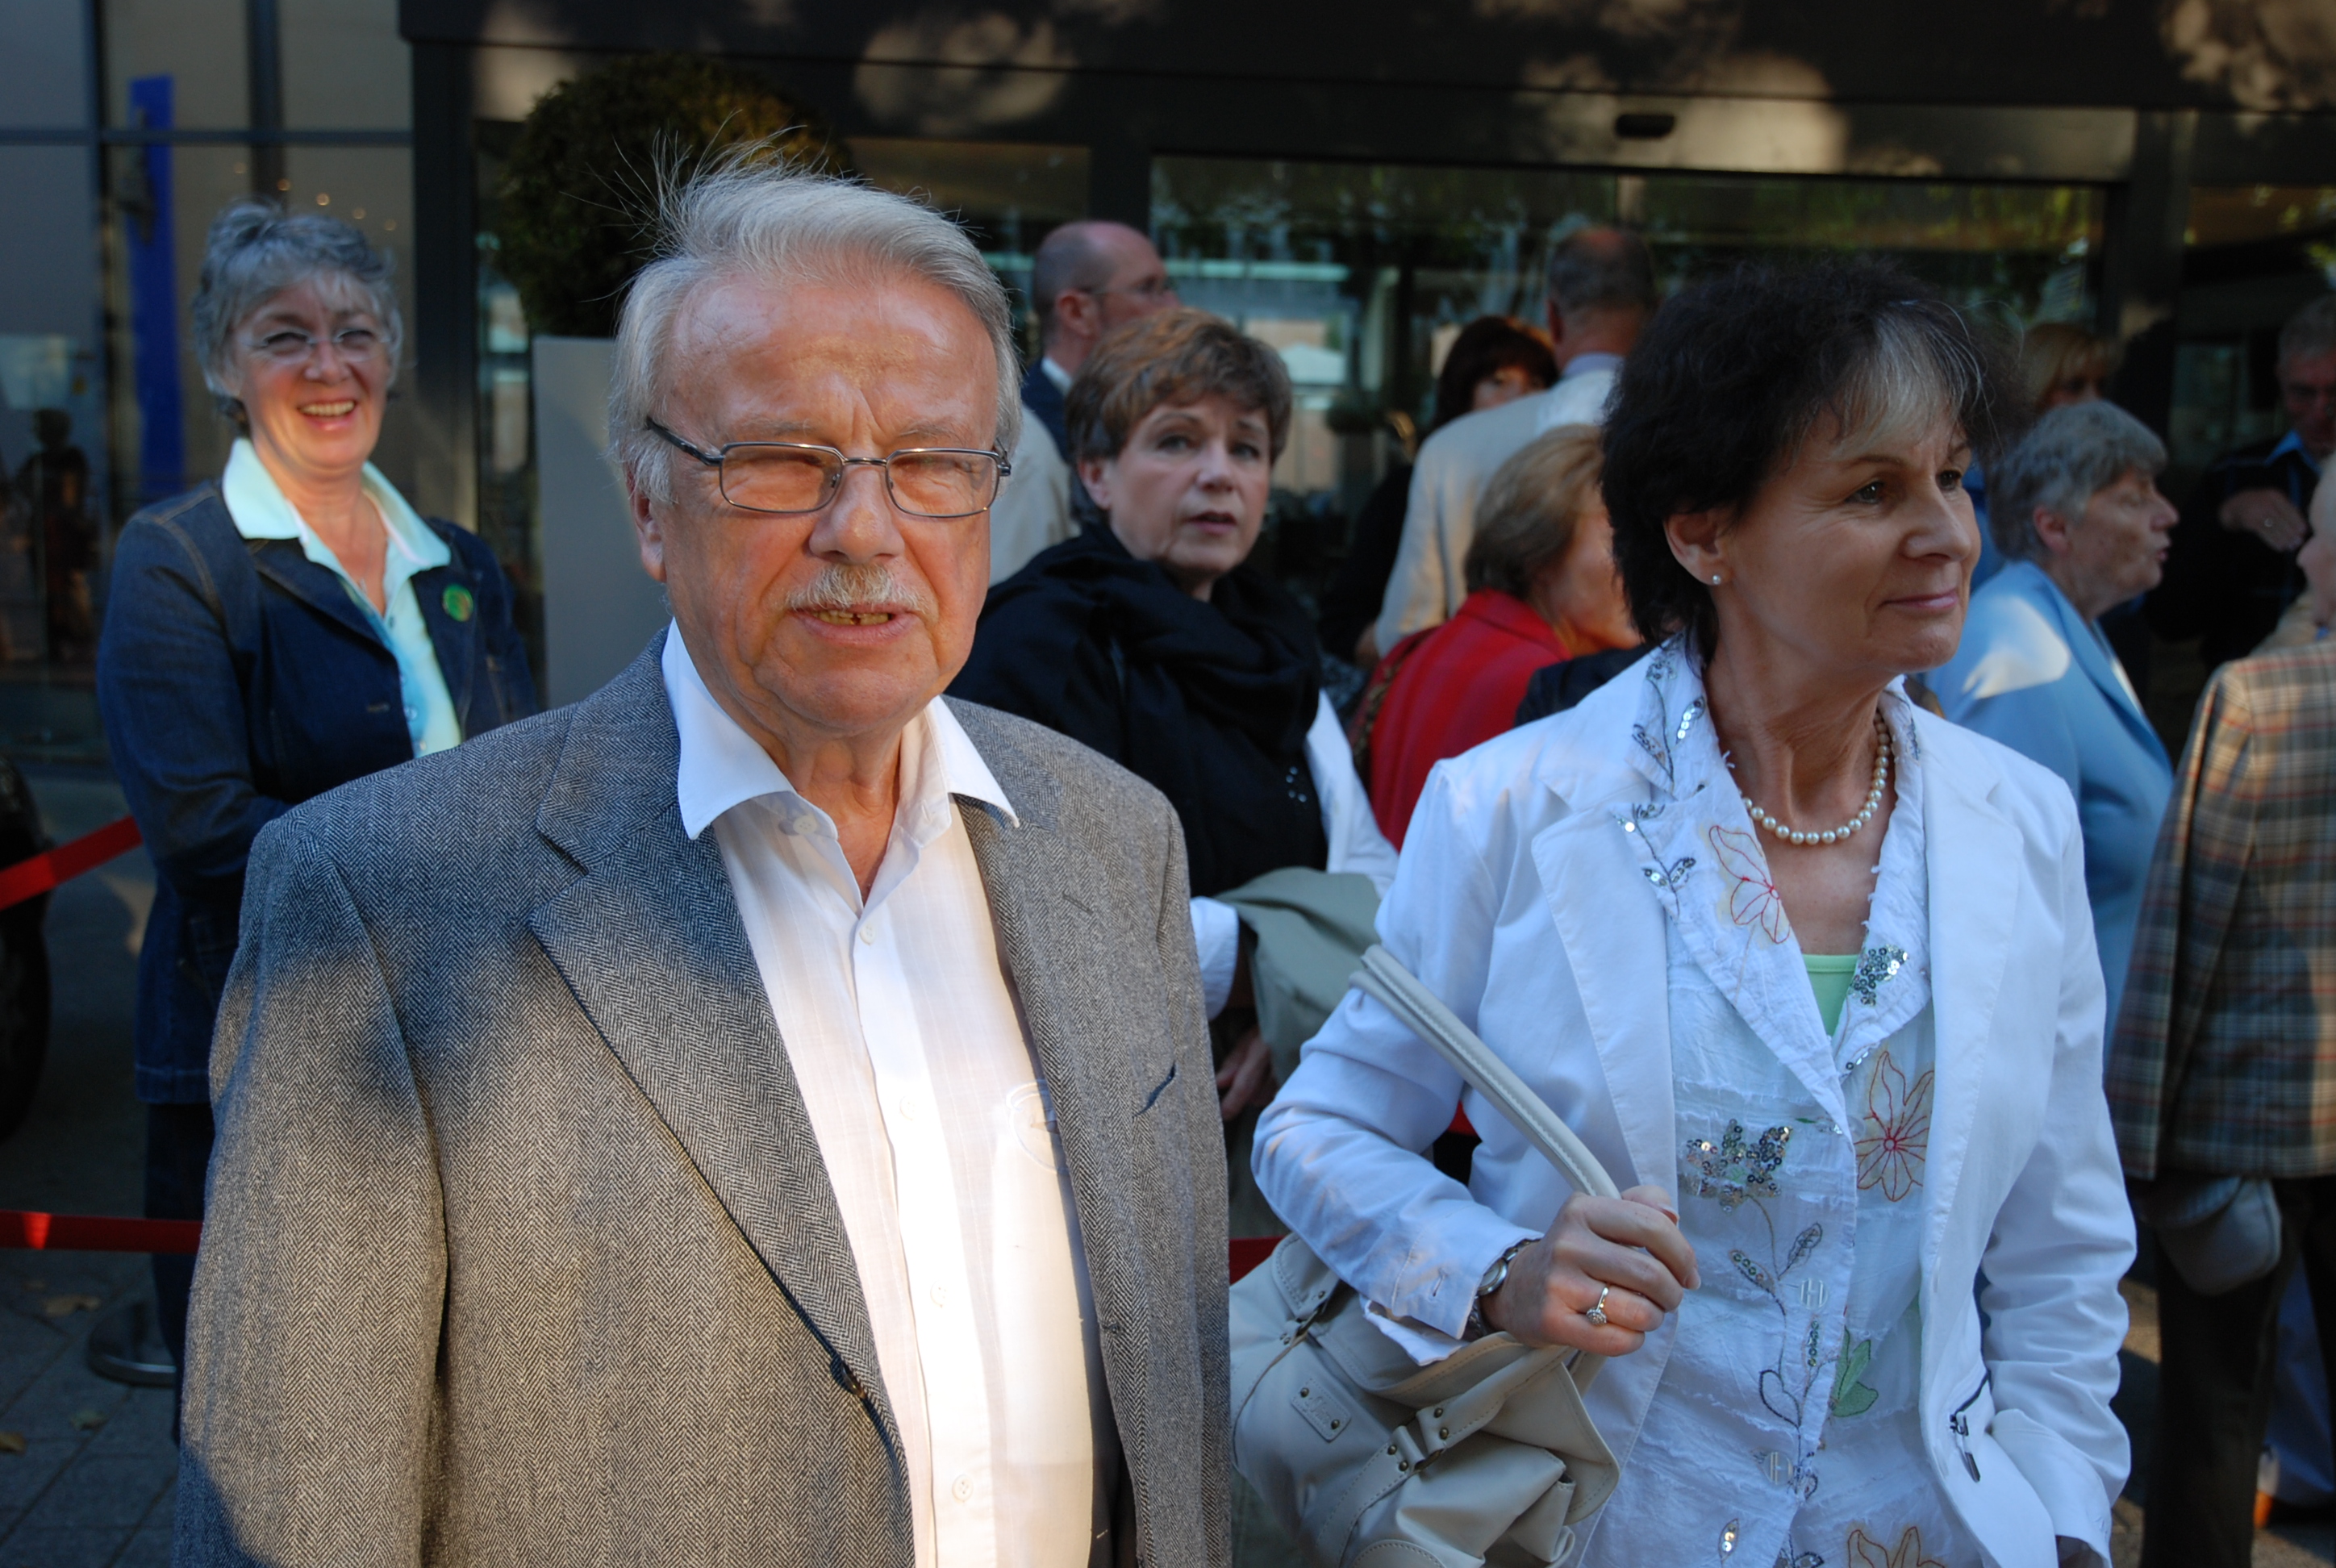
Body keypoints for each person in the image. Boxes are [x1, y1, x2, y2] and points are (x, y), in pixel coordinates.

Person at [173, 163, 1228, 1566]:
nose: (866, 529)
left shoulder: (1118, 842)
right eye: (781, 459)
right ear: (649, 506)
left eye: (930, 463)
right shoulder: (380, 903)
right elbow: (295, 1508)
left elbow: (1172, 1406)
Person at [1255, 261, 2134, 1568]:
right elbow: (1319, 1125)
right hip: (1608, 1518)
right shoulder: (1513, 806)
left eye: (1953, 477)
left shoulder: (2017, 822)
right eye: (1872, 490)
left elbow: (2061, 1244)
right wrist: (1494, 1268)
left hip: (1930, 1524)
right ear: (1702, 534)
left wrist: (2061, 1511)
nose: (1948, 533)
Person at [94, 198, 536, 1413]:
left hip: (470, 1043)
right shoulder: (179, 560)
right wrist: (455, 882)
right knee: (281, 1420)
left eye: (355, 333)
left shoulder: (456, 560)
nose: (328, 367)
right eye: (284, 336)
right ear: (221, 366)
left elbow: (524, 778)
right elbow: (203, 839)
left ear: (390, 355)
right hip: (272, 1058)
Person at [950, 307, 1396, 1198]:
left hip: (1282, 1128)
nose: (1218, 474)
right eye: (1177, 442)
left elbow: (1376, 876)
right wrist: (1282, 962)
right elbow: (1036, 915)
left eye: (1247, 449)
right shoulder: (1033, 646)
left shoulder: (1279, 647)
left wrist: (1293, 1006)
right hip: (1082, 1142)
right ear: (1096, 473)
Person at [2109, 467, 2336, 1568]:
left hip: (2246, 1122)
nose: (2303, 556)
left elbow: (2182, 931)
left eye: (2320, 538)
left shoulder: (2257, 697)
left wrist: (2133, 1131)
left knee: (2213, 1412)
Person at [1932, 400, 2175, 1027]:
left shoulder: (2066, 626)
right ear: (2055, 528)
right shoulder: (2016, 653)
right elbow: (2005, 909)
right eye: (2135, 499)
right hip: (2057, 1054)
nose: (2166, 515)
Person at [1371, 227, 1654, 653]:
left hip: (1494, 691)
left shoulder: (1452, 450)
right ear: (1657, 314)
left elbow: (1407, 635)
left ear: (1552, 318)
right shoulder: (1702, 439)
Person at [1360, 423, 1636, 845]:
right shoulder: (1551, 694)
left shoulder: (1417, 650)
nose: (1644, 567)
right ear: (1539, 552)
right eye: (1619, 541)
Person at [1318, 316, 1555, 666]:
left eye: (1535, 384)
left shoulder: (1559, 496)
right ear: (1462, 392)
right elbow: (1342, 623)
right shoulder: (1408, 489)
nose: (1518, 398)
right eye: (1498, 381)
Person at [2146, 293, 2336, 669]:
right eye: (2303, 393)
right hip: (2249, 691)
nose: (2321, 411)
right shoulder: (2235, 473)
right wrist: (2226, 520)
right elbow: (2170, 618)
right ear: (2280, 380)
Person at [988, 219, 1178, 583]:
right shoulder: (1027, 454)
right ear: (1077, 312)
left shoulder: (1089, 429)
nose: (1173, 307)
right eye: (1148, 289)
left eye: (1168, 288)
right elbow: (1007, 608)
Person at [1969, 322, 2119, 590]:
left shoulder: (2092, 479)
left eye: (2101, 385)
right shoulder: (1975, 488)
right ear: (2034, 388)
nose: (2094, 402)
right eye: (2074, 386)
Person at [16, 409, 96, 662]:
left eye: (41, 426)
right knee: (48, 590)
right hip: (48, 536)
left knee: (70, 588)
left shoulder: (71, 458)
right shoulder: (39, 460)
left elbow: (68, 499)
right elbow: (22, 486)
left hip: (64, 536)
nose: (36, 432)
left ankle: (77, 641)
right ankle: (57, 643)